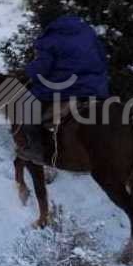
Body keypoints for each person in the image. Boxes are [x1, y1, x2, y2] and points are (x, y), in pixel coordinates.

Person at [20, 15, 110, 164]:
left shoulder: (49, 39)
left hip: (66, 89)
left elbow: (43, 67)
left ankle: (36, 150)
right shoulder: (88, 32)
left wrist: (28, 71)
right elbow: (103, 57)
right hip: (96, 88)